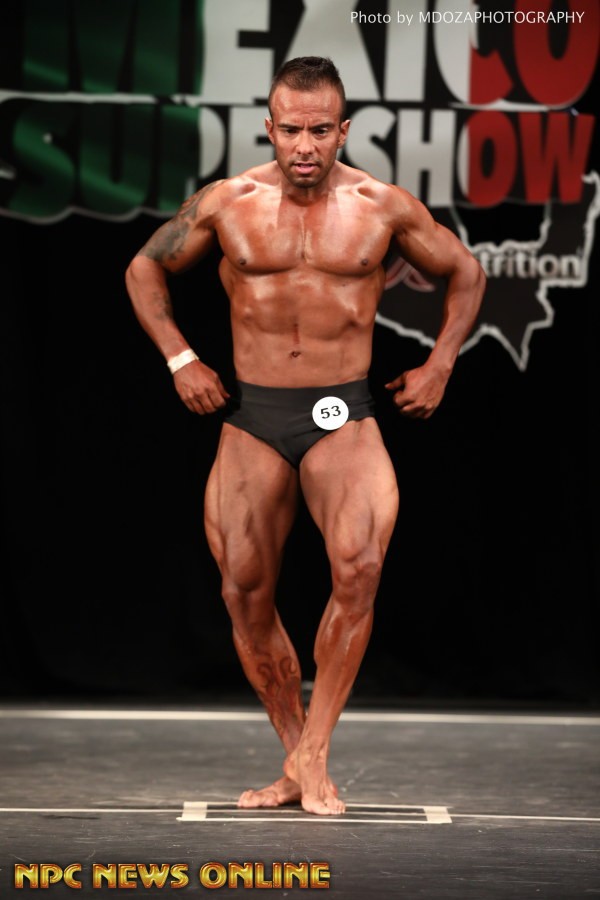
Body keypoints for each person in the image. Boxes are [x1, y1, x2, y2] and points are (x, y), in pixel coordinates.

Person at [125, 56, 486, 816]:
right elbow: (143, 270)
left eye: (321, 130)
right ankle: (294, 753)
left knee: (359, 569)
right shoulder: (228, 202)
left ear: (343, 130)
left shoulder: (381, 207)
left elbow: (466, 271)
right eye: (291, 129)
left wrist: (441, 365)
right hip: (255, 414)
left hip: (342, 412)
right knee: (242, 591)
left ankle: (316, 749)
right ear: (270, 126)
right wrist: (181, 359)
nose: (305, 146)